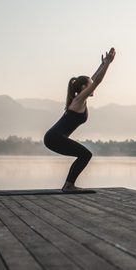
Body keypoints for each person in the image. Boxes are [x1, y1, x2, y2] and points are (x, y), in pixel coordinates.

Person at [43, 47, 116, 192]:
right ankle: (68, 185)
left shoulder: (79, 98)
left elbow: (93, 79)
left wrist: (103, 64)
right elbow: (97, 81)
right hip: (54, 138)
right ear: (84, 88)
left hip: (53, 138)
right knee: (85, 155)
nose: (93, 87)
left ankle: (68, 185)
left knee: (83, 155)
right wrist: (107, 64)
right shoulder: (79, 99)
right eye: (89, 86)